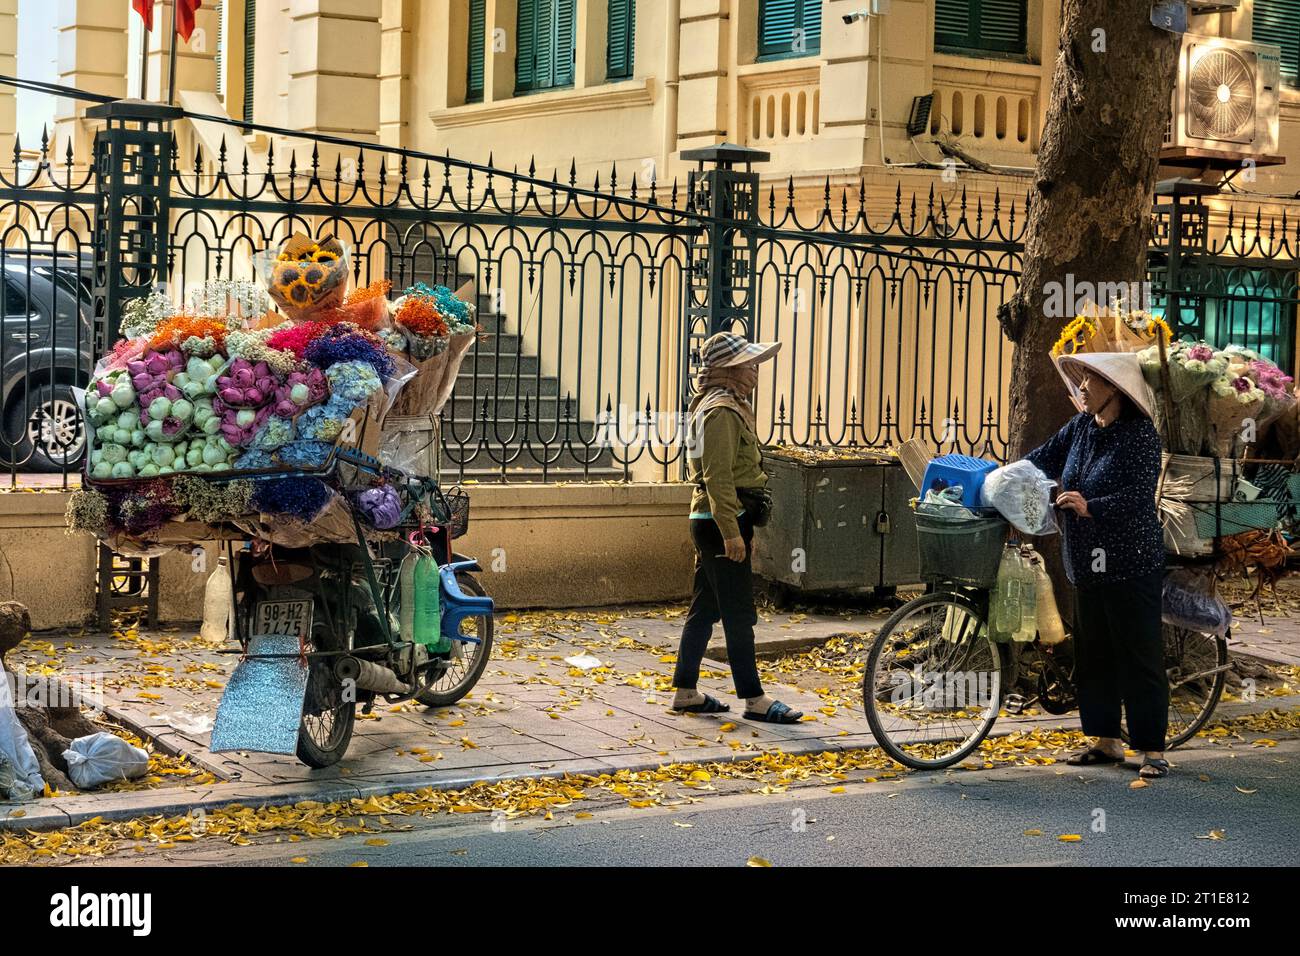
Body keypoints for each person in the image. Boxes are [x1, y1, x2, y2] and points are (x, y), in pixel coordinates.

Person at [1024, 351, 1170, 779]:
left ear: (1116, 390)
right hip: (1085, 563)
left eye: (1091, 379)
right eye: (1083, 378)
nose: (1082, 386)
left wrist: (1091, 507)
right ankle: (1105, 741)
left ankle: (1152, 750)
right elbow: (1041, 459)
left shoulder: (1140, 435)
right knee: (1094, 654)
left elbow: (1139, 498)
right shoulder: (1082, 427)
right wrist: (998, 478)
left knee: (1137, 654)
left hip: (1130, 561)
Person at [671, 332, 804, 724]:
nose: (755, 372)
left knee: (705, 608)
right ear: (728, 371)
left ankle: (686, 691)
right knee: (739, 613)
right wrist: (732, 532)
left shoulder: (718, 406)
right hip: (720, 521)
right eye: (748, 365)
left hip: (713, 518)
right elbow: (718, 478)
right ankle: (754, 699)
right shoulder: (721, 412)